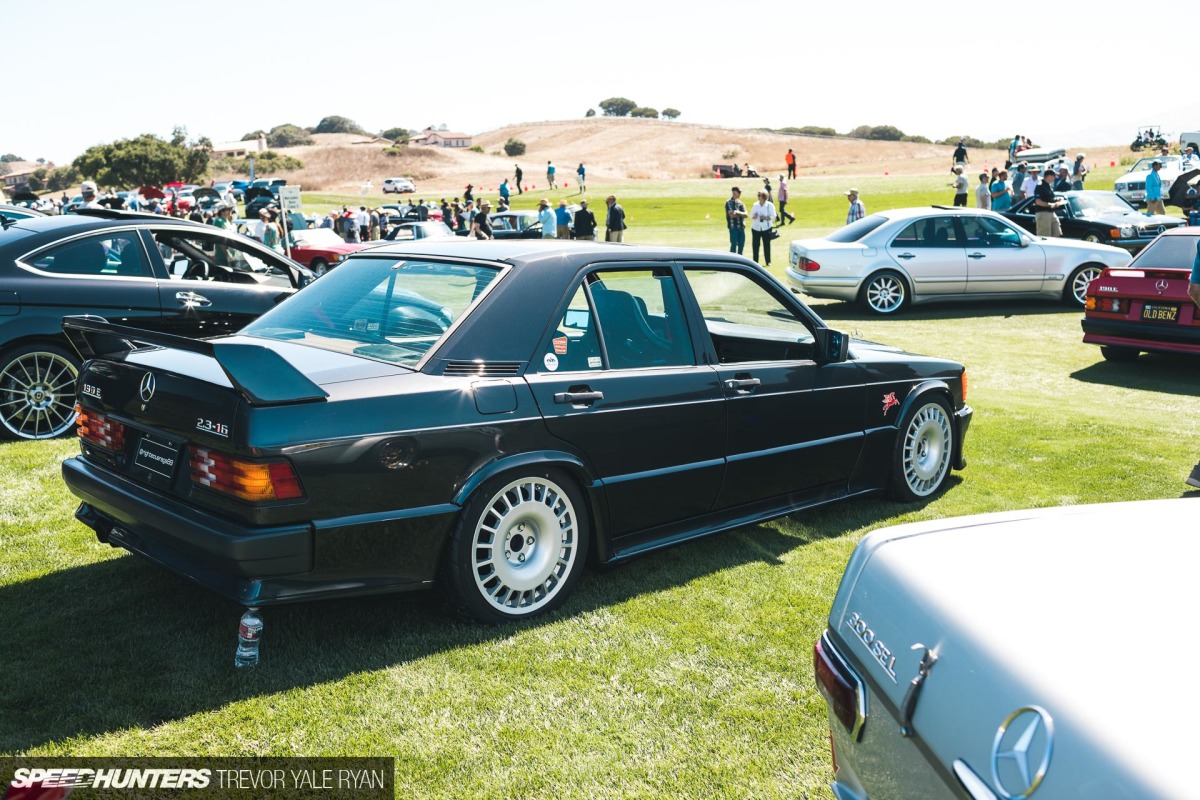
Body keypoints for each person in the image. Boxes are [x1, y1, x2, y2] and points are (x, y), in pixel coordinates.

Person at [1033, 167, 1065, 237]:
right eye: (1054, 176)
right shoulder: (1040, 185)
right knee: (1045, 236)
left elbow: (1049, 198)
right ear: (1049, 176)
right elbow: (1038, 201)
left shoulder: (1049, 186)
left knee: (1057, 233)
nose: (1055, 178)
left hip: (1051, 213)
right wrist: (1051, 205)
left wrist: (1057, 199)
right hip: (1043, 213)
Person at [749, 189, 777, 266]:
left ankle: (768, 261)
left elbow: (774, 216)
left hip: (766, 228)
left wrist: (766, 218)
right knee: (755, 245)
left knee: (766, 245)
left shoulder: (769, 205)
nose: (758, 197)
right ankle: (755, 262)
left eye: (759, 195)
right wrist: (754, 216)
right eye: (758, 195)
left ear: (764, 196)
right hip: (756, 228)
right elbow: (750, 215)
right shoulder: (755, 205)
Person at [725, 186, 747, 254]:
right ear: (734, 193)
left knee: (741, 245)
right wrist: (741, 214)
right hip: (733, 227)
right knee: (733, 245)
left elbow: (746, 214)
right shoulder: (728, 202)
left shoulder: (741, 203)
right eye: (739, 192)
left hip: (741, 227)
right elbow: (731, 215)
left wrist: (737, 212)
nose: (740, 194)